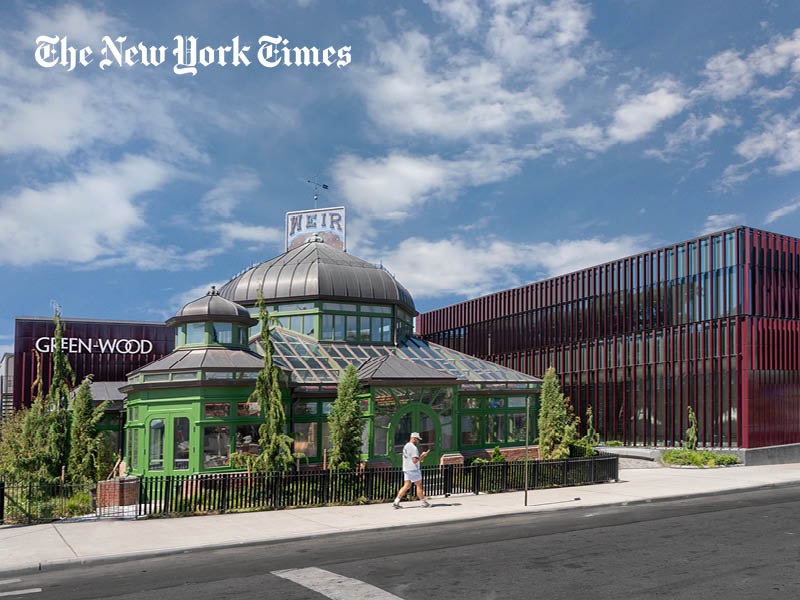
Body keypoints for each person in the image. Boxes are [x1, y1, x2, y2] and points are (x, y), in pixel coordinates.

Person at [393, 432, 430, 509]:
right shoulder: (413, 448)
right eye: (417, 439)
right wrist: (422, 456)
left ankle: (396, 502)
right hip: (413, 469)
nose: (418, 441)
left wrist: (421, 457)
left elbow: (413, 459)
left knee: (407, 485)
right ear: (414, 438)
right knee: (419, 485)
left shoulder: (406, 446)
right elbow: (415, 460)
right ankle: (424, 502)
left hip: (406, 468)